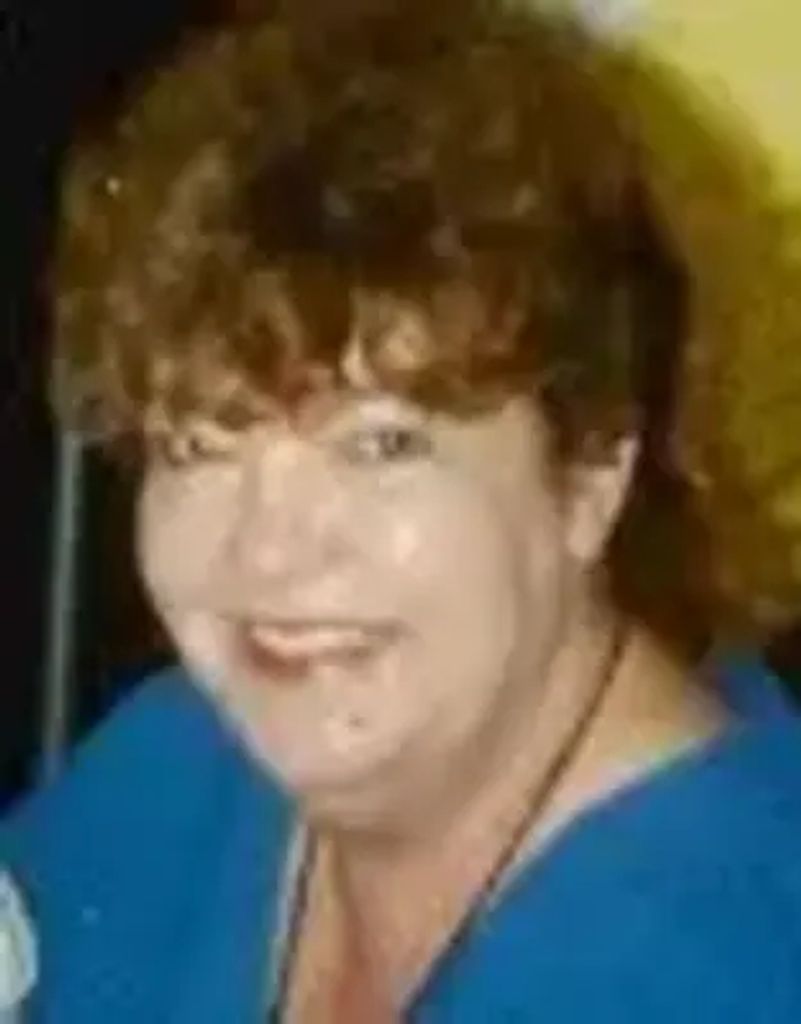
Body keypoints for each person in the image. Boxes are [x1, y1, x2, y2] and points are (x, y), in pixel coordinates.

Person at [4, 1, 801, 1020]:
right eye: (199, 447)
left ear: (591, 471)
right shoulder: (181, 762)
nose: (269, 554)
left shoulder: (735, 961)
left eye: (378, 446)